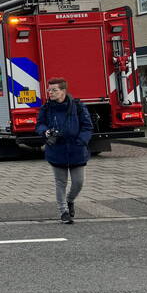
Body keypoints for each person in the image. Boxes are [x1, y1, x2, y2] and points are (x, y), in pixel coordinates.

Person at [36, 78, 93, 225]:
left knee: (78, 182)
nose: (50, 93)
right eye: (49, 90)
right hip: (57, 150)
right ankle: (63, 212)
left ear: (63, 91)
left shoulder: (78, 106)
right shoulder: (46, 108)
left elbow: (87, 126)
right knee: (60, 182)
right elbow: (40, 125)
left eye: (54, 90)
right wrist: (46, 132)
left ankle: (70, 200)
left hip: (77, 150)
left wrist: (81, 141)